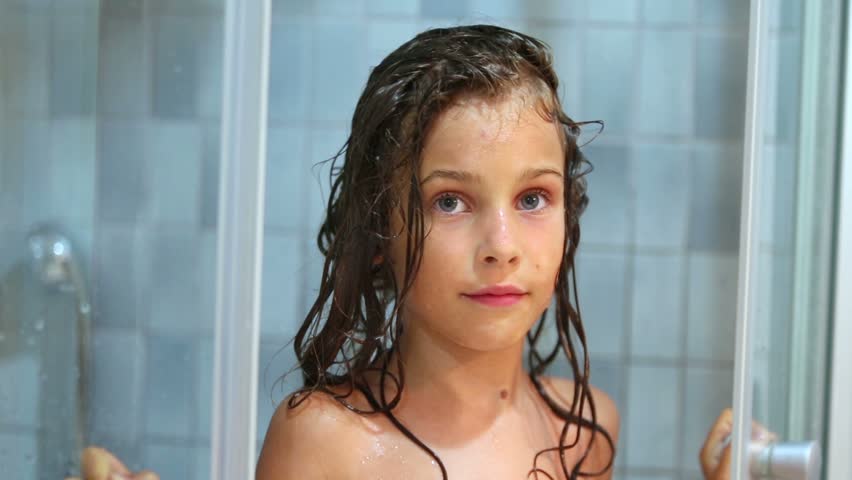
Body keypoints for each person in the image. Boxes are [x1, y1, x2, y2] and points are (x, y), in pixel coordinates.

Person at [74, 25, 754, 480]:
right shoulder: (327, 445)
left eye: (532, 199)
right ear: (377, 235)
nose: (501, 248)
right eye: (450, 202)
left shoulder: (585, 428)